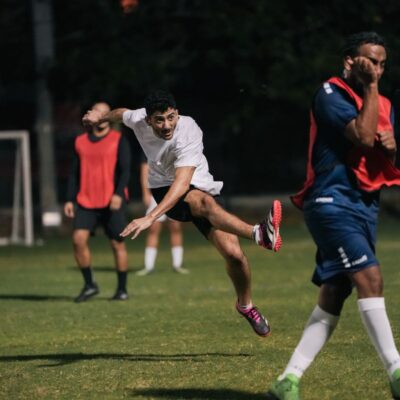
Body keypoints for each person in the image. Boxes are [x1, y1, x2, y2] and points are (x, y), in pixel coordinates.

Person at [83, 90, 282, 337]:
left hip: (196, 184)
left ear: (177, 113)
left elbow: (184, 180)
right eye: (159, 120)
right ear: (148, 120)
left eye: (171, 117)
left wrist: (150, 216)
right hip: (164, 187)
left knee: (234, 255)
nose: (167, 125)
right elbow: (121, 113)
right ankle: (259, 233)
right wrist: (102, 117)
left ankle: (245, 306)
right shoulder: (138, 119)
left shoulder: (189, 129)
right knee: (202, 203)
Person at [267, 32, 400, 400]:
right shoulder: (330, 93)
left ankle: (288, 380)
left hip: (364, 206)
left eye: (382, 63)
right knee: (370, 278)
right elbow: (360, 135)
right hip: (330, 202)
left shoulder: (386, 102)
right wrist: (372, 89)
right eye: (370, 61)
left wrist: (393, 148)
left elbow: (384, 156)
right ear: (349, 62)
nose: (377, 69)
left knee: (336, 289)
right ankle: (396, 370)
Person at [65, 101, 131, 303]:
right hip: (86, 200)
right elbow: (74, 173)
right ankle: (90, 284)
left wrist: (118, 194)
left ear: (109, 115)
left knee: (117, 244)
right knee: (78, 240)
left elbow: (125, 170)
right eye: (97, 111)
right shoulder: (80, 141)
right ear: (91, 114)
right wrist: (69, 199)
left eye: (105, 112)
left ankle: (121, 290)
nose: (101, 115)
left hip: (111, 201)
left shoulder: (118, 139)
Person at [136, 157, 189, 276]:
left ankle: (177, 264)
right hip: (156, 193)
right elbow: (145, 170)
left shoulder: (175, 146)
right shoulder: (149, 146)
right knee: (153, 229)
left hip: (173, 192)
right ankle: (149, 266)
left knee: (175, 227)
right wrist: (146, 193)